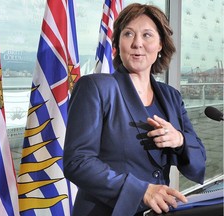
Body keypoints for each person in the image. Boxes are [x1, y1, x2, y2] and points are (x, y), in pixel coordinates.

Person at [63, 3, 206, 216]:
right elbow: (77, 162)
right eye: (128, 34)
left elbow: (198, 159)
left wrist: (179, 140)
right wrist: (141, 191)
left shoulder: (171, 96)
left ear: (160, 45)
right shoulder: (95, 87)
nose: (137, 43)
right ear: (118, 43)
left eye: (147, 35)